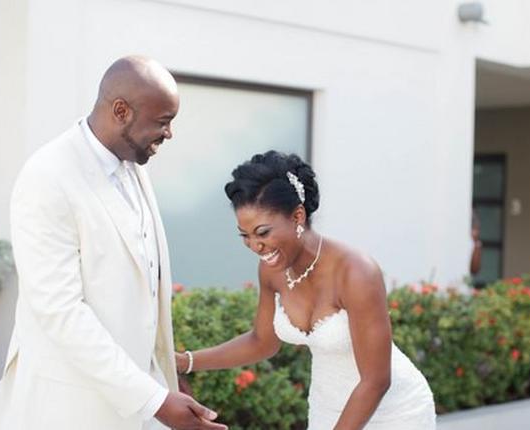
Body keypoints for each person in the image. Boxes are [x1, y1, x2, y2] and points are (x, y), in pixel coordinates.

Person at [0, 56, 226, 430]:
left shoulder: (134, 163)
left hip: (134, 402)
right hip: (70, 407)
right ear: (120, 110)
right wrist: (153, 399)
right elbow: (60, 311)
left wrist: (159, 378)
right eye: (162, 121)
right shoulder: (47, 177)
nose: (168, 134)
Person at [175, 151, 436, 429]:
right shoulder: (271, 269)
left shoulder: (356, 272)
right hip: (327, 409)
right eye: (245, 235)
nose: (254, 246)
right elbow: (262, 341)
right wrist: (186, 362)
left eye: (262, 233)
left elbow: (375, 380)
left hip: (393, 413)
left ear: (298, 216)